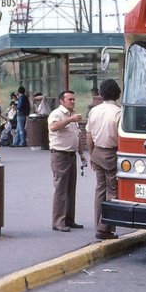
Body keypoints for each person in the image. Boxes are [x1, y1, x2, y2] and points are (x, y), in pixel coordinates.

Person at [86, 79, 122, 240]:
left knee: (100, 189)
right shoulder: (118, 112)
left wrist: (91, 153)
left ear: (101, 93)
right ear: (118, 93)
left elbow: (88, 134)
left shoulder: (94, 110)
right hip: (112, 153)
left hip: (97, 151)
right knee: (112, 190)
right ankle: (104, 227)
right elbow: (121, 138)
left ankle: (97, 224)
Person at [48, 90, 86, 232]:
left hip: (71, 154)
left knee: (71, 189)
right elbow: (53, 127)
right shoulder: (57, 114)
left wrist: (81, 153)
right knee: (61, 189)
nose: (73, 102)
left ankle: (69, 219)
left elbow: (77, 135)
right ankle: (58, 221)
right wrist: (70, 120)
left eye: (74, 99)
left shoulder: (72, 116)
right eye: (70, 99)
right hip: (60, 155)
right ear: (62, 101)